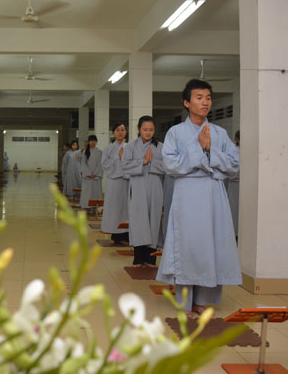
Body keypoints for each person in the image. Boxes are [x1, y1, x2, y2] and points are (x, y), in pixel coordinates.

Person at [156, 79, 241, 317]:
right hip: (188, 195)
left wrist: (209, 150)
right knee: (188, 247)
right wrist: (199, 150)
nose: (205, 102)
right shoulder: (175, 132)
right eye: (199, 98)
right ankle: (185, 301)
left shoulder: (220, 133)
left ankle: (203, 299)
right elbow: (170, 164)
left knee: (210, 246)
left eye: (208, 98)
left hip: (214, 195)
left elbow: (234, 164)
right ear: (187, 102)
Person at [123, 116, 164, 267]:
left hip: (155, 185)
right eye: (145, 129)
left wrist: (151, 163)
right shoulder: (131, 146)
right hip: (138, 185)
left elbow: (167, 167)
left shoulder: (161, 147)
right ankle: (138, 257)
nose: (148, 133)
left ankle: (150, 258)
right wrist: (143, 162)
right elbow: (124, 166)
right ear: (139, 129)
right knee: (138, 220)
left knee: (154, 219)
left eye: (151, 130)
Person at [101, 124, 129, 244]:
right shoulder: (108, 148)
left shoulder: (129, 147)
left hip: (125, 181)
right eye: (117, 130)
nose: (120, 132)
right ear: (113, 133)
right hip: (113, 181)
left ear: (126, 132)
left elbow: (132, 163)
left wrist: (123, 160)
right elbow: (104, 164)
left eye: (122, 130)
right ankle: (114, 235)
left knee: (124, 208)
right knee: (113, 208)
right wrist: (118, 158)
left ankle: (125, 235)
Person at [80, 135, 103, 210]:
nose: (93, 142)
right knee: (87, 192)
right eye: (91, 140)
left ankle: (95, 207)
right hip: (87, 177)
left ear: (96, 142)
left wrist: (95, 174)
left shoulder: (99, 152)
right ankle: (86, 206)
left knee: (96, 192)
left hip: (96, 177)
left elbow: (101, 164)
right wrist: (88, 174)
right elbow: (83, 164)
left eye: (94, 141)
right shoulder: (84, 152)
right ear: (88, 142)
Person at [226, 130, 240, 238]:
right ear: (237, 139)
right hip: (235, 186)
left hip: (245, 187)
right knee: (234, 214)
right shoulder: (235, 152)